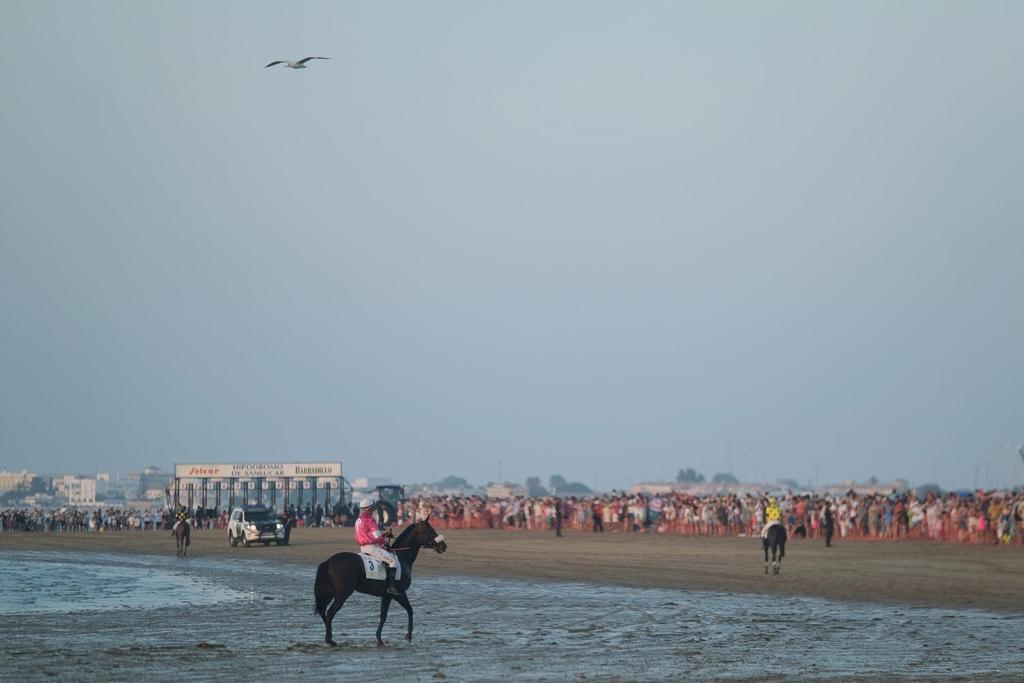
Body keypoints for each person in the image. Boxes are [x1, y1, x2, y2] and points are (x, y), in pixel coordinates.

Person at [355, 498, 403, 595]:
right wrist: (385, 544)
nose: (374, 509)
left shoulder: (359, 519)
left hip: (362, 547)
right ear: (369, 508)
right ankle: (391, 587)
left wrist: (384, 535)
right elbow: (377, 536)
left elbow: (368, 533)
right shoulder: (369, 519)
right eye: (373, 507)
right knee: (392, 560)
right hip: (371, 547)